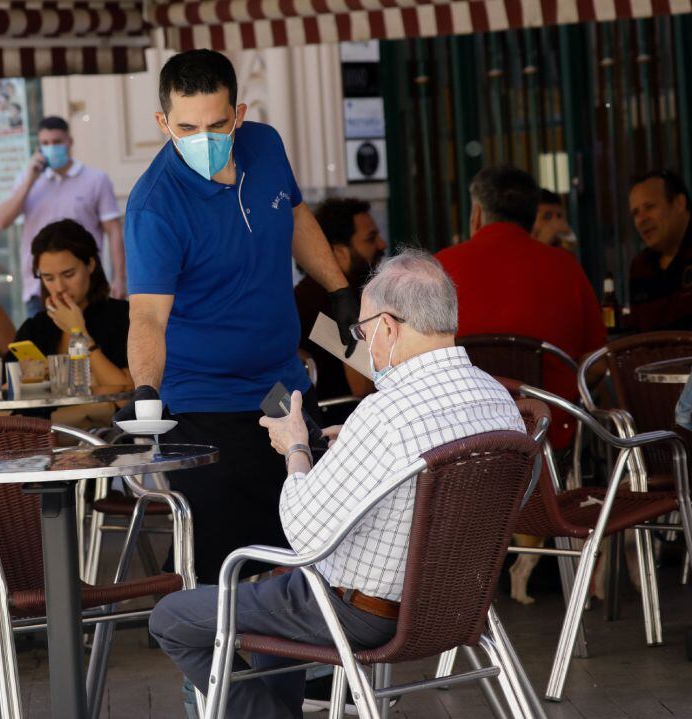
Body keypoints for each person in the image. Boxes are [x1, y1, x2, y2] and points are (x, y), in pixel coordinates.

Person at [149, 250, 525, 719]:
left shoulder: (386, 413)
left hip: (364, 615)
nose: (363, 341)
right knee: (276, 611)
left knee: (172, 617)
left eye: (362, 330)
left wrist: (295, 449)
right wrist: (359, 443)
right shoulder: (500, 401)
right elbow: (511, 497)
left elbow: (305, 536)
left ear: (387, 327)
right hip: (458, 605)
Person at [118, 49, 360, 586]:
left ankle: (309, 663)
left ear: (239, 114)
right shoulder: (154, 207)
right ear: (163, 123)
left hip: (281, 389)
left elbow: (295, 215)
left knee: (315, 537)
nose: (202, 137)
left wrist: (339, 289)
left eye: (215, 124)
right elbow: (148, 319)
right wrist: (144, 390)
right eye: (185, 126)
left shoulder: (265, 145)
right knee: (228, 561)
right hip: (204, 402)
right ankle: (212, 668)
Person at [436, 165, 606, 449]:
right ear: (531, 218)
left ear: (476, 214)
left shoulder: (438, 270)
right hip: (548, 442)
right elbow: (597, 365)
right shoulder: (566, 268)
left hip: (461, 446)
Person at [0, 116, 126, 314]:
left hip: (85, 287)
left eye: (57, 142)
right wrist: (31, 180)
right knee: (43, 344)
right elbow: (3, 221)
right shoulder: (27, 180)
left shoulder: (96, 179)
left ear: (69, 142)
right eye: (45, 143)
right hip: (39, 288)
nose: (52, 147)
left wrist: (120, 278)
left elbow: (114, 232)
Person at [11, 219, 130, 388]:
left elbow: (128, 397)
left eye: (68, 274)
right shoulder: (35, 328)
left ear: (90, 264)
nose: (59, 288)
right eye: (48, 278)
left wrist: (79, 334)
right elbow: (4, 391)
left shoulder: (122, 317)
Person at [295, 197, 385, 402]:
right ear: (337, 252)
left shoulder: (305, 294)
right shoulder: (336, 302)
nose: (382, 244)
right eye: (370, 239)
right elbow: (362, 388)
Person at [627, 169, 692, 331]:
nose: (641, 220)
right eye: (635, 213)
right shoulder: (640, 266)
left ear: (679, 204)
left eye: (649, 207)